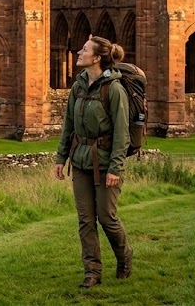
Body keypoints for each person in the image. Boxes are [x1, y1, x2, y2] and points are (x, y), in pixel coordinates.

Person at [54, 37, 132, 288]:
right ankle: (92, 272)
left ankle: (124, 258)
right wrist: (61, 158)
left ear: (97, 58)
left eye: (85, 50)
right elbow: (69, 125)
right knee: (86, 220)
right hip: (80, 161)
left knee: (107, 217)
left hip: (106, 162)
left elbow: (122, 132)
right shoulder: (77, 86)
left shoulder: (114, 89)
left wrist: (115, 168)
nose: (79, 51)